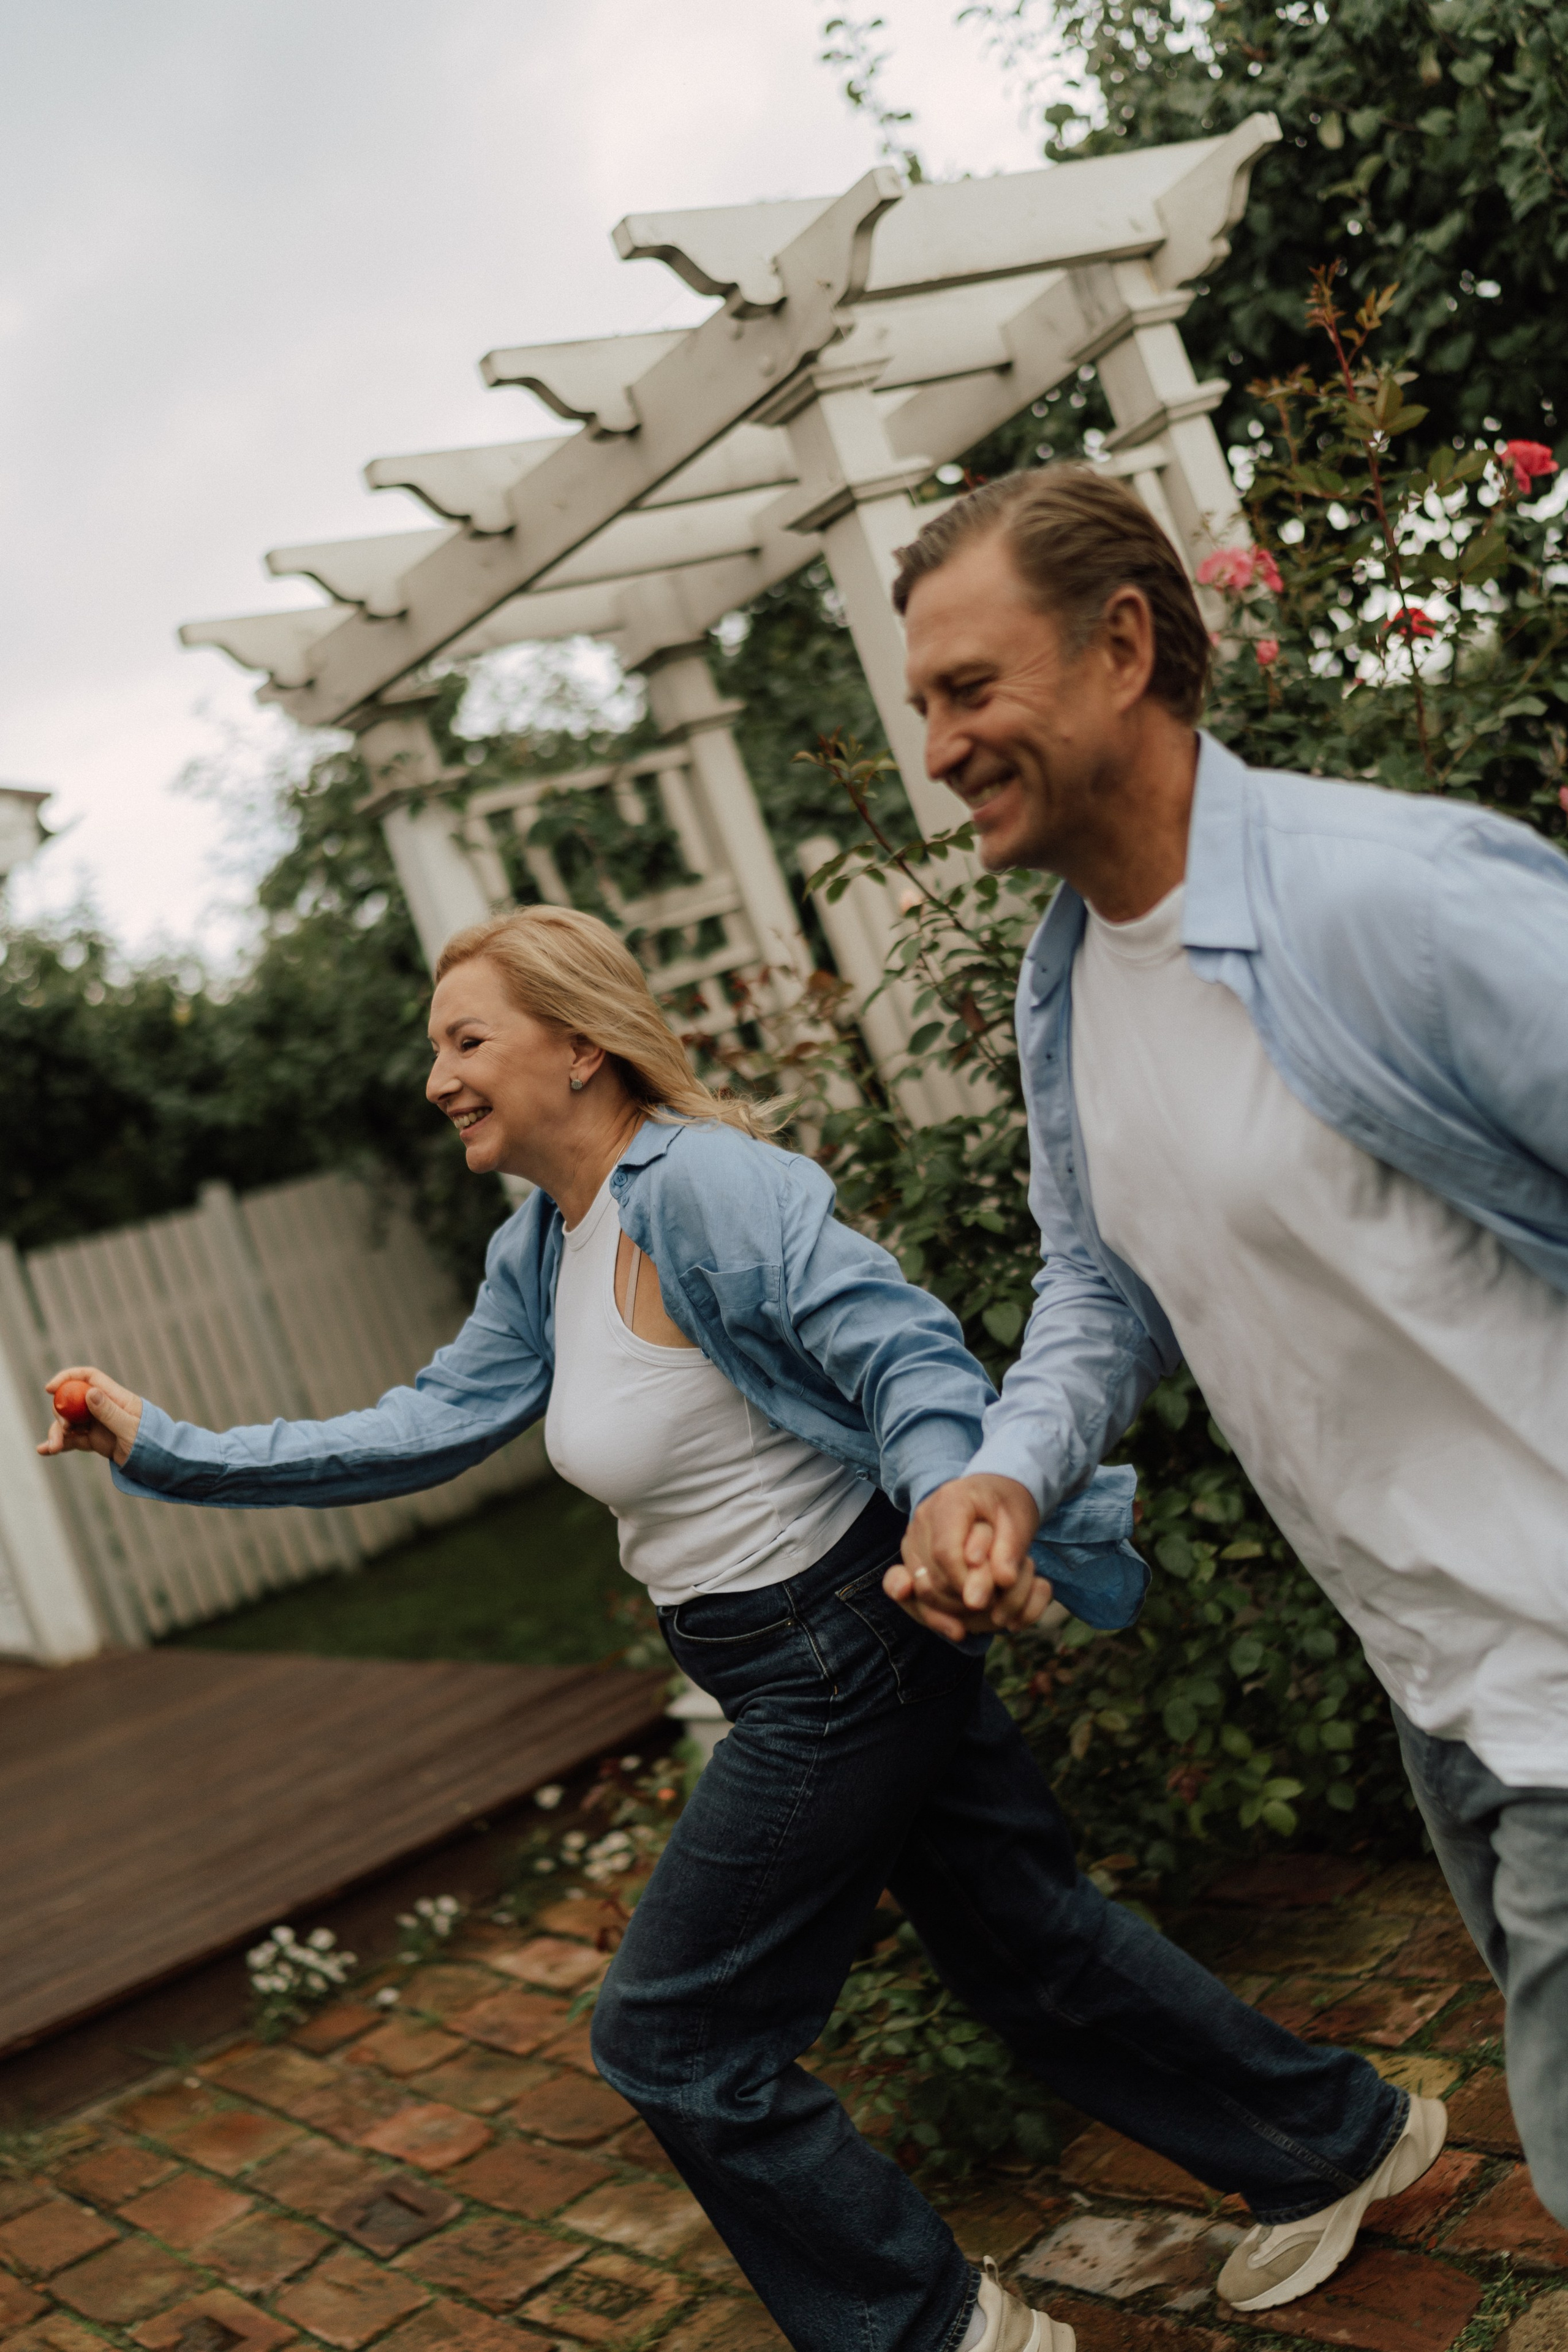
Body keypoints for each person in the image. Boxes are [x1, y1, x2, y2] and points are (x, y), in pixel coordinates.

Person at [43, 902, 1425, 2352]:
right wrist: (167, 1445)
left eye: (466, 1040)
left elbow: (897, 1351)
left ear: (578, 1045)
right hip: (811, 1653)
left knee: (675, 2038)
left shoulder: (703, 1185)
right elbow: (425, 1423)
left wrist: (955, 1504)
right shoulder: (546, 1244)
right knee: (1029, 1948)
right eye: (436, 1049)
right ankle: (1336, 2144)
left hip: (835, 1651)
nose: (437, 1077)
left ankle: (936, 2329)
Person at [888, 462, 1568, 2285]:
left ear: (1123, 647)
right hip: (1440, 1691)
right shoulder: (1064, 991)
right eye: (924, 704)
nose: (937, 748)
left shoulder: (1400, 899)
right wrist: (1006, 1470)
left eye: (971, 688)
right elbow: (1098, 1288)